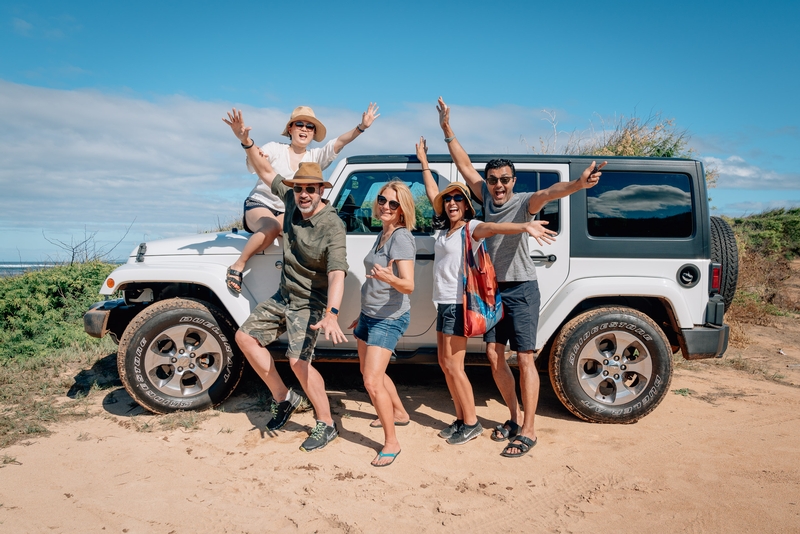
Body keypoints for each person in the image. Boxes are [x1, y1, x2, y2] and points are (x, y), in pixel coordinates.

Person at [435, 97, 605, 457]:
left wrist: (577, 184)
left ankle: (528, 429)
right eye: (494, 179)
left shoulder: (526, 200)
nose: (498, 186)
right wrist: (447, 129)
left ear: (514, 181)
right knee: (495, 359)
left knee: (525, 358)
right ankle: (512, 418)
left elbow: (550, 192)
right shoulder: (482, 196)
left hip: (523, 289)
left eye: (505, 180)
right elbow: (464, 165)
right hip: (491, 292)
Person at [416, 136, 557, 446]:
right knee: (483, 357)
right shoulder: (446, 229)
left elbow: (496, 227)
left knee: (520, 359)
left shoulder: (472, 226)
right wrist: (425, 163)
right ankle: (510, 418)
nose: (452, 203)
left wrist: (525, 226)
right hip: (475, 297)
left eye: (458, 200)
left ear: (468, 204)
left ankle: (483, 423)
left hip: (469, 301)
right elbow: (435, 192)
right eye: (448, 200)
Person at [232, 117, 348, 452]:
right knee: (245, 337)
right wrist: (245, 141)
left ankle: (326, 424)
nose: (303, 194)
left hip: (310, 301)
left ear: (320, 190)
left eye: (310, 189)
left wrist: (332, 313)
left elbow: (337, 272)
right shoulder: (290, 199)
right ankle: (284, 398)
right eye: (298, 188)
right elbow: (266, 173)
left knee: (299, 361)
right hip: (285, 295)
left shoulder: (331, 226)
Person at [222, 103, 379, 293]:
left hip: (288, 210)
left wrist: (361, 127)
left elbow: (339, 142)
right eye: (299, 124)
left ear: (313, 132)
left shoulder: (316, 156)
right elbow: (260, 165)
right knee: (273, 227)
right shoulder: (274, 148)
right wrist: (246, 140)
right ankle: (238, 265)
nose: (304, 129)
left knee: (301, 234)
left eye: (309, 126)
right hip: (261, 204)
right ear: (290, 129)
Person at [348, 181, 416, 467]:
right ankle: (400, 413)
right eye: (382, 200)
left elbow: (408, 285)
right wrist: (361, 314)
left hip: (388, 318)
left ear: (402, 210)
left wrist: (390, 279)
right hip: (369, 315)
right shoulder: (383, 233)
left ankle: (392, 443)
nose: (386, 207)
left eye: (393, 204)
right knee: (369, 371)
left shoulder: (401, 237)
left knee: (371, 381)